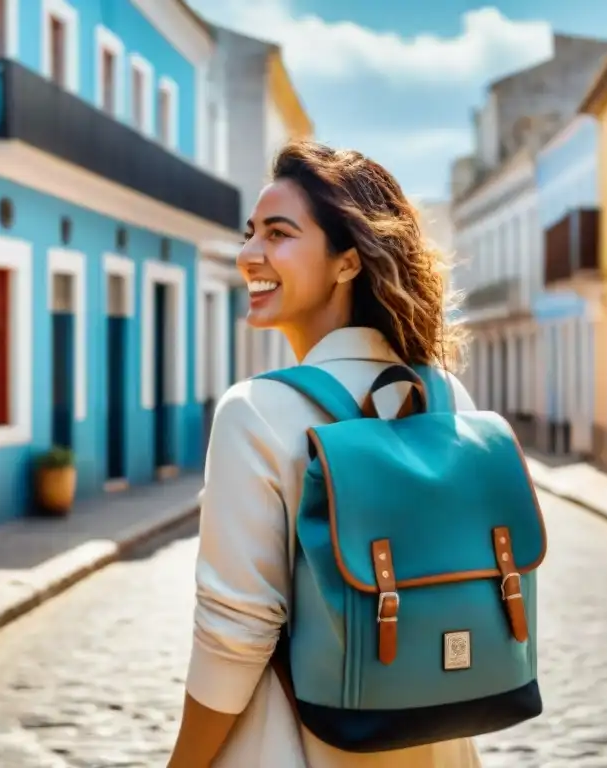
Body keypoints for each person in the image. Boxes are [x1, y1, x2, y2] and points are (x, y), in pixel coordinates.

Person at [168, 140, 481, 767]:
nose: (249, 254)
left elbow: (234, 638)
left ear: (346, 262)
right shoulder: (446, 397)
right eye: (250, 233)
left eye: (279, 235)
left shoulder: (254, 413)